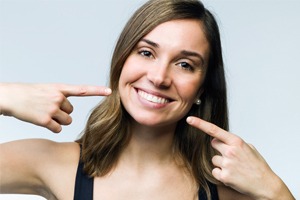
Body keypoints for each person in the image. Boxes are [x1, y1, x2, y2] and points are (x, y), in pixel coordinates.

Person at [0, 0, 295, 199]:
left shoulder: (226, 187)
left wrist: (275, 190)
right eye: (146, 52)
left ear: (202, 88)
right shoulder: (53, 163)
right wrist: (5, 95)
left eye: (184, 64)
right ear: (121, 61)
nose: (159, 77)